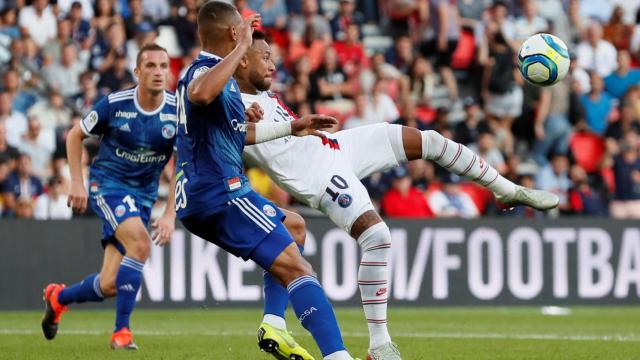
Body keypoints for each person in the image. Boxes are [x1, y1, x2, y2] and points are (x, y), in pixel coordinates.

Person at [236, 30, 560, 360]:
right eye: (265, 57)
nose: (273, 65)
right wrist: (242, 113)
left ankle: (506, 190)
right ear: (241, 60)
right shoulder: (230, 103)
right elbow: (224, 122)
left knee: (430, 140)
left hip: (337, 146)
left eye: (272, 56)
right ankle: (379, 345)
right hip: (318, 175)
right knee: (377, 236)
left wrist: (246, 32)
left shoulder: (257, 90)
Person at [174, 2, 354, 360]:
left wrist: (292, 126)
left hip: (201, 194)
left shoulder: (216, 78)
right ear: (233, 34)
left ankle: (274, 322)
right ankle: (338, 357)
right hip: (220, 191)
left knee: (296, 228)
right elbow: (200, 93)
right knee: (298, 268)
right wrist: (242, 48)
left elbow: (237, 134)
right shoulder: (202, 71)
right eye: (242, 32)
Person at [40, 43, 178, 350]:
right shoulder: (115, 104)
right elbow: (75, 134)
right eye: (151, 66)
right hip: (109, 186)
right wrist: (77, 181)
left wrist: (170, 213)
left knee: (110, 284)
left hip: (143, 195)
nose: (158, 72)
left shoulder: (176, 110)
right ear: (137, 72)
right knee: (141, 244)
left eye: (163, 66)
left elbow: (184, 164)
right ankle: (121, 333)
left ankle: (58, 298)